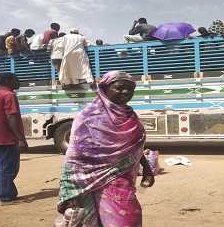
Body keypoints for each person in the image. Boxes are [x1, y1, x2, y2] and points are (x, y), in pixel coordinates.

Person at [55, 71, 155, 226]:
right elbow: (75, 155)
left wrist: (147, 167)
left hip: (123, 179)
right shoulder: (88, 116)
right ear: (105, 88)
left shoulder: (130, 115)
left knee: (129, 217)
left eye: (130, 89)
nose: (126, 92)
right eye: (120, 87)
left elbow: (133, 148)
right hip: (90, 180)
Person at [0, 73, 28, 205]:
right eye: (15, 80)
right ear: (8, 81)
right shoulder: (9, 95)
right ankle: (5, 197)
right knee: (8, 168)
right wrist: (20, 138)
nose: (18, 82)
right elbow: (12, 117)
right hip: (7, 138)